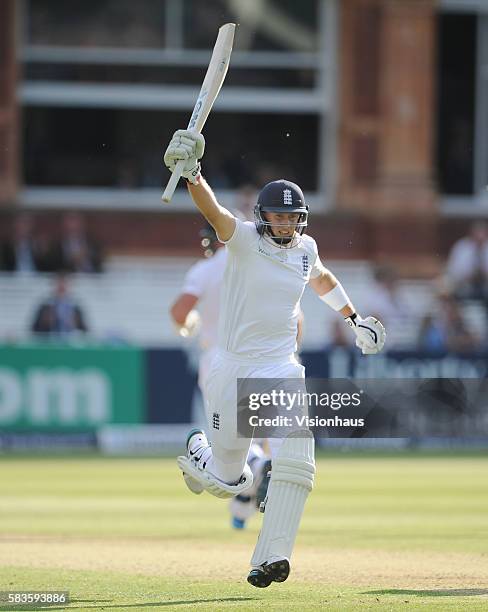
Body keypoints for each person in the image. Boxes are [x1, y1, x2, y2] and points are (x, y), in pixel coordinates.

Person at [163, 129, 386, 588]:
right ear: (263, 217)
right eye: (277, 217)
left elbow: (321, 279)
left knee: (298, 458)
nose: (285, 225)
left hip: (281, 368)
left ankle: (271, 558)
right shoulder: (243, 240)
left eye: (292, 218)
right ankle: (199, 452)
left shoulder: (305, 250)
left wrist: (354, 318)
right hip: (233, 368)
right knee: (230, 478)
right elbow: (215, 213)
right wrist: (192, 174)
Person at [170, 222, 273, 530]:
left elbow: (179, 312)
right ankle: (243, 504)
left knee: (226, 438)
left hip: (218, 359)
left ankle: (257, 468)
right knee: (252, 429)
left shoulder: (204, 270)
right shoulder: (257, 264)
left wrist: (190, 322)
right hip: (260, 356)